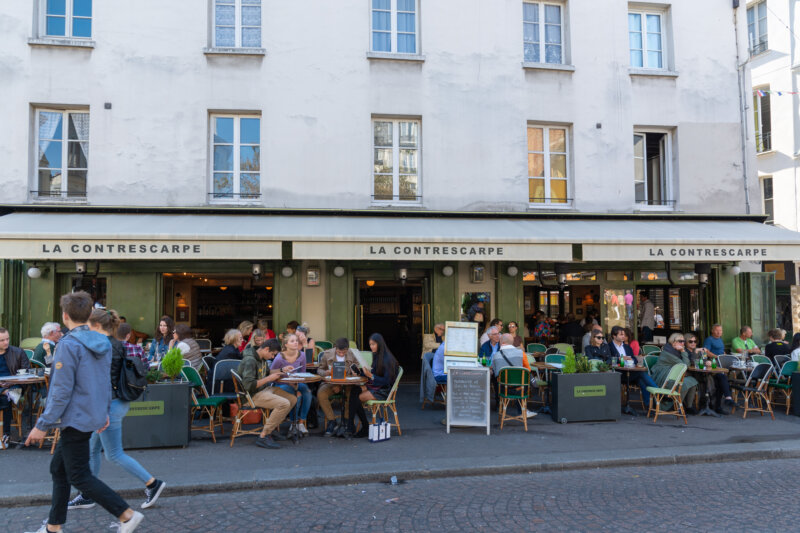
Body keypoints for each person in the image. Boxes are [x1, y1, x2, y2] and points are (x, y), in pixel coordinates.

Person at [24, 291, 144, 533]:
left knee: (78, 476)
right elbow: (102, 383)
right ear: (89, 314)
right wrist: (102, 413)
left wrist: (41, 425)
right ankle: (53, 527)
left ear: (65, 315)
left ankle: (126, 514)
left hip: (75, 418)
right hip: (87, 416)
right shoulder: (103, 342)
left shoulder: (68, 345)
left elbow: (60, 392)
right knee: (59, 469)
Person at [65, 309, 166, 513]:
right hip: (114, 402)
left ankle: (152, 483)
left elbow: (101, 382)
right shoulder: (116, 344)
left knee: (113, 454)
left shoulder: (102, 346)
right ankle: (87, 494)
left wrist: (100, 412)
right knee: (92, 449)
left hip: (107, 405)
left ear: (96, 325)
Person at [238, 338, 295, 449]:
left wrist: (282, 370)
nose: (273, 357)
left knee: (292, 399)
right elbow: (248, 385)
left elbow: (268, 372)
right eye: (273, 354)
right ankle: (263, 436)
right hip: (251, 395)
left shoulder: (260, 357)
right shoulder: (250, 360)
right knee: (284, 404)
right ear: (266, 349)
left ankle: (271, 429)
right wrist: (269, 378)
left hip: (264, 390)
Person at [350, 333, 398, 438]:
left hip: (384, 391)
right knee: (354, 391)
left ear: (379, 344)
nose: (371, 346)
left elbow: (386, 381)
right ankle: (351, 425)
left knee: (356, 399)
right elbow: (373, 374)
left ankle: (362, 427)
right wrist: (360, 373)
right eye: (370, 344)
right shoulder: (377, 356)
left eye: (373, 344)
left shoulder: (387, 359)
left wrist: (370, 375)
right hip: (376, 387)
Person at [316, 337, 364, 436]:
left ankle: (346, 421)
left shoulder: (352, 353)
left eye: (344, 352)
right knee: (321, 394)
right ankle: (331, 420)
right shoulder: (327, 354)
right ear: (335, 348)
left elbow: (358, 367)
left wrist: (354, 372)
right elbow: (319, 370)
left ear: (347, 349)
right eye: (339, 352)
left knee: (350, 395)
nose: (341, 354)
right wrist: (326, 372)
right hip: (331, 382)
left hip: (348, 383)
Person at [271, 333, 311, 436]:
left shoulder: (301, 355)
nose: (296, 343)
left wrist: (297, 382)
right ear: (286, 344)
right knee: (297, 396)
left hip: (296, 382)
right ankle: (293, 423)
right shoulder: (280, 357)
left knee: (307, 392)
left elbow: (303, 372)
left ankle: (301, 423)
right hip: (281, 383)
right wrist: (288, 381)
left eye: (296, 341)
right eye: (292, 341)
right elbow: (272, 374)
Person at [685, 333, 734, 415]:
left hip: (705, 372)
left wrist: (708, 361)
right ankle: (710, 406)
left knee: (721, 377)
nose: (693, 343)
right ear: (686, 342)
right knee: (712, 382)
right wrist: (696, 352)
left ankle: (727, 399)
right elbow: (692, 363)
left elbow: (704, 359)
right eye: (690, 341)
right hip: (694, 374)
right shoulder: (685, 351)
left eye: (695, 341)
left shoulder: (700, 350)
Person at [611, 326, 658, 408]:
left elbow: (635, 360)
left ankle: (649, 407)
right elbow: (608, 360)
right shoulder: (609, 346)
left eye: (624, 335)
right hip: (618, 373)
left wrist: (630, 359)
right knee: (641, 373)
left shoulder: (627, 347)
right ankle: (659, 393)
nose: (623, 336)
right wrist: (620, 359)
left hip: (630, 372)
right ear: (614, 336)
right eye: (621, 334)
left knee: (642, 381)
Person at [651, 333, 698, 414]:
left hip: (672, 375)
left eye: (683, 341)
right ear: (673, 342)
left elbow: (687, 364)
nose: (683, 343)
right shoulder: (668, 353)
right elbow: (685, 365)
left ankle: (688, 406)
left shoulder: (677, 351)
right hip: (663, 378)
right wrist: (683, 351)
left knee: (692, 381)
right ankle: (676, 406)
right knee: (684, 383)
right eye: (680, 341)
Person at [492, 333, 537, 419]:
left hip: (503, 390)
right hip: (520, 389)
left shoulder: (496, 356)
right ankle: (523, 411)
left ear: (501, 342)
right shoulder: (521, 353)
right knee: (521, 380)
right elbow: (528, 370)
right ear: (512, 342)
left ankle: (501, 409)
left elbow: (495, 372)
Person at [0, 327, 30, 447]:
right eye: (2, 340)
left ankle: (5, 436)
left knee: (5, 398)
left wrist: (11, 383)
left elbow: (27, 373)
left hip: (15, 387)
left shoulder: (18, 352)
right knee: (4, 398)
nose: (6, 342)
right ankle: (4, 435)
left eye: (7, 339)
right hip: (5, 390)